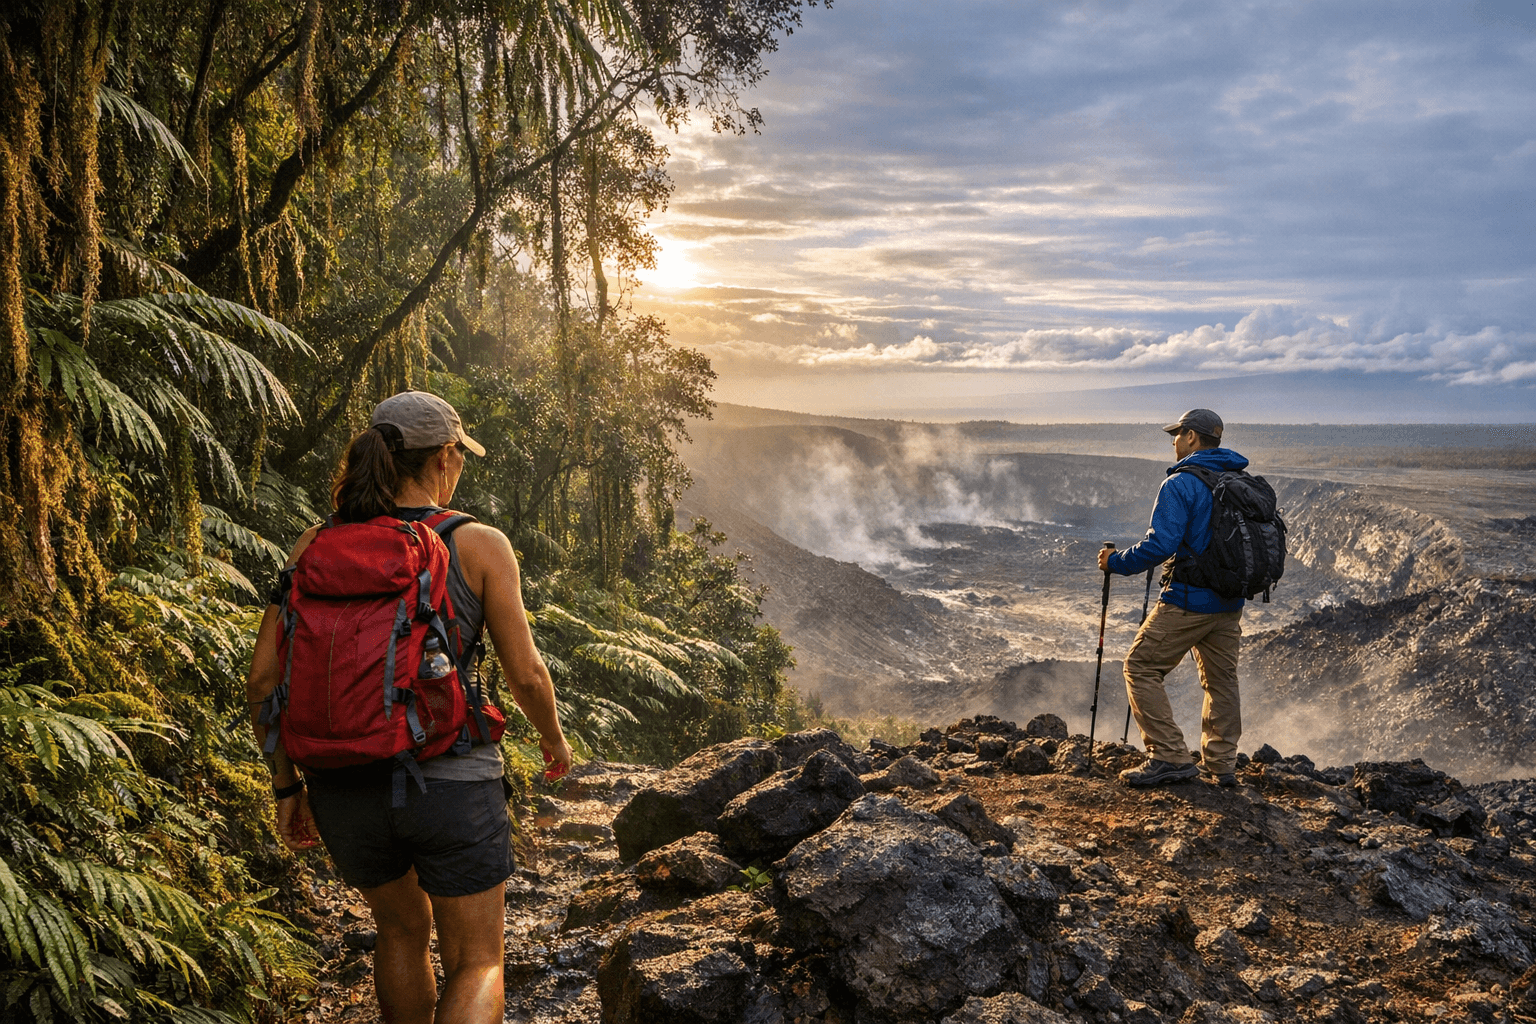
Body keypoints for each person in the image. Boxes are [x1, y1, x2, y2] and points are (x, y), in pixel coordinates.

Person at [246, 390, 573, 1024]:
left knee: (399, 932)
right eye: (460, 456)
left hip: (341, 784)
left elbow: (263, 679)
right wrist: (553, 741)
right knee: (478, 962)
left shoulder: (314, 543)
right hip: (449, 777)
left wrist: (287, 786)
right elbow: (527, 674)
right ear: (446, 456)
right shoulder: (477, 543)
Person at [1096, 408, 1248, 789]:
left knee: (1140, 667)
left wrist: (1116, 563)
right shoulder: (1236, 479)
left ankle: (1168, 756)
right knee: (1221, 682)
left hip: (1188, 599)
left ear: (1193, 437)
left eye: (1177, 434)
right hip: (1229, 603)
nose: (1174, 441)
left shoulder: (1182, 483)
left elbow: (1160, 544)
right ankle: (1222, 764)